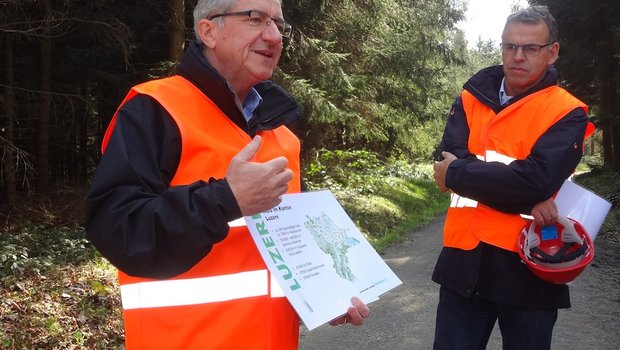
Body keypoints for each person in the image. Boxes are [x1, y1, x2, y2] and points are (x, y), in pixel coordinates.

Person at [85, 0, 369, 349]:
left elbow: (295, 245)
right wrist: (225, 200)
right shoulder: (155, 109)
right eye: (255, 19)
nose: (273, 36)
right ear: (208, 31)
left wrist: (326, 294)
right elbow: (118, 229)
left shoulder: (282, 136)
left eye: (279, 26)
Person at [432, 6, 594, 350]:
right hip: (464, 262)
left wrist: (460, 173)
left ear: (552, 52)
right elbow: (445, 158)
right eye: (510, 46)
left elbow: (536, 181)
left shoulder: (567, 111)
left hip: (531, 264)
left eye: (530, 48)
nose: (517, 56)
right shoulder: (471, 96)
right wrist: (521, 187)